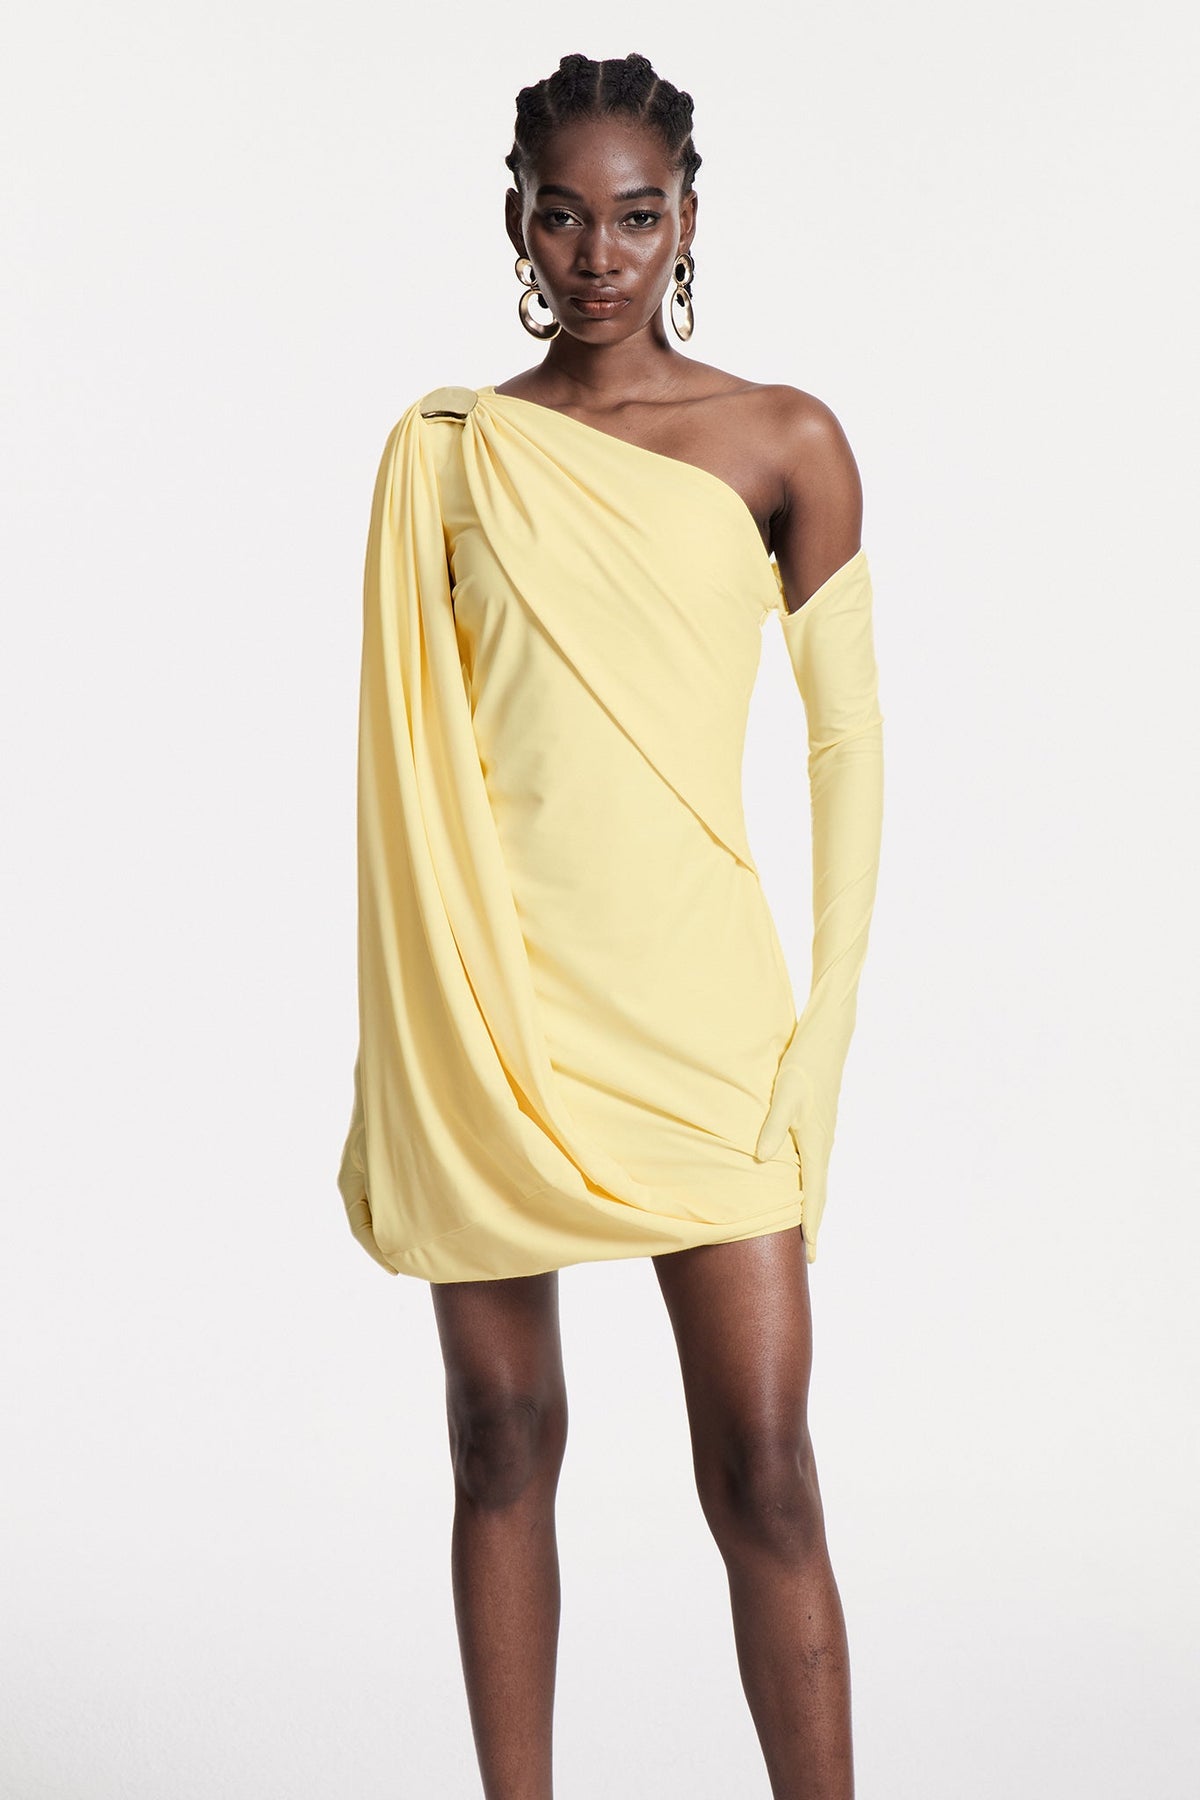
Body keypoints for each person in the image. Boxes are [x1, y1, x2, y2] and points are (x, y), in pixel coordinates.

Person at [337, 50, 884, 1800]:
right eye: (563, 217)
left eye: (635, 217)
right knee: (500, 1441)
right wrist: (411, 1038)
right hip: (495, 1012)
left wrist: (824, 1028)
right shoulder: (451, 456)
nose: (599, 256)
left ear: (688, 220)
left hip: (705, 1022)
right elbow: (409, 772)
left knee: (768, 1473)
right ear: (517, 220)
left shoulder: (785, 440)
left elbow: (848, 749)